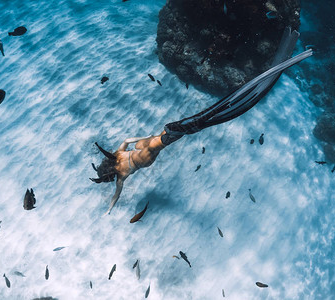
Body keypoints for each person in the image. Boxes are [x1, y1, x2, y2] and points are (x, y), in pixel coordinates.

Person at [91, 27, 312, 214]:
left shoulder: (121, 177)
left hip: (159, 145)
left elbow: (116, 195)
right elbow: (128, 139)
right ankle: (205, 117)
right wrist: (147, 136)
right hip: (157, 137)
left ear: (110, 175)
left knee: (200, 122)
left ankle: (223, 108)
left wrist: (110, 208)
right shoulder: (118, 152)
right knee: (191, 124)